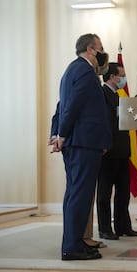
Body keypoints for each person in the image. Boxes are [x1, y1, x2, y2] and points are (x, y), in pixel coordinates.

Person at [55, 33, 111, 260]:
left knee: (75, 194)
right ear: (90, 49)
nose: (102, 52)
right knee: (80, 196)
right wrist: (61, 134)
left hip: (78, 142)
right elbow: (71, 107)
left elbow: (62, 106)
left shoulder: (71, 70)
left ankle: (76, 241)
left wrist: (57, 133)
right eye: (100, 48)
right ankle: (72, 247)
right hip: (84, 143)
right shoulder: (86, 72)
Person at [49, 103, 107, 250]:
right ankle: (77, 239)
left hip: (80, 143)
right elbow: (61, 113)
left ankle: (78, 238)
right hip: (80, 144)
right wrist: (57, 135)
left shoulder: (72, 82)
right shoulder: (83, 82)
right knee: (79, 194)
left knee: (79, 194)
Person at [97, 62, 137, 240]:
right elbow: (102, 122)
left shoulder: (119, 95)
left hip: (123, 151)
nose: (123, 78)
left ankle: (123, 226)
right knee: (105, 193)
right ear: (111, 77)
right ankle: (105, 229)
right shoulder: (102, 94)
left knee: (123, 192)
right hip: (107, 151)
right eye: (121, 75)